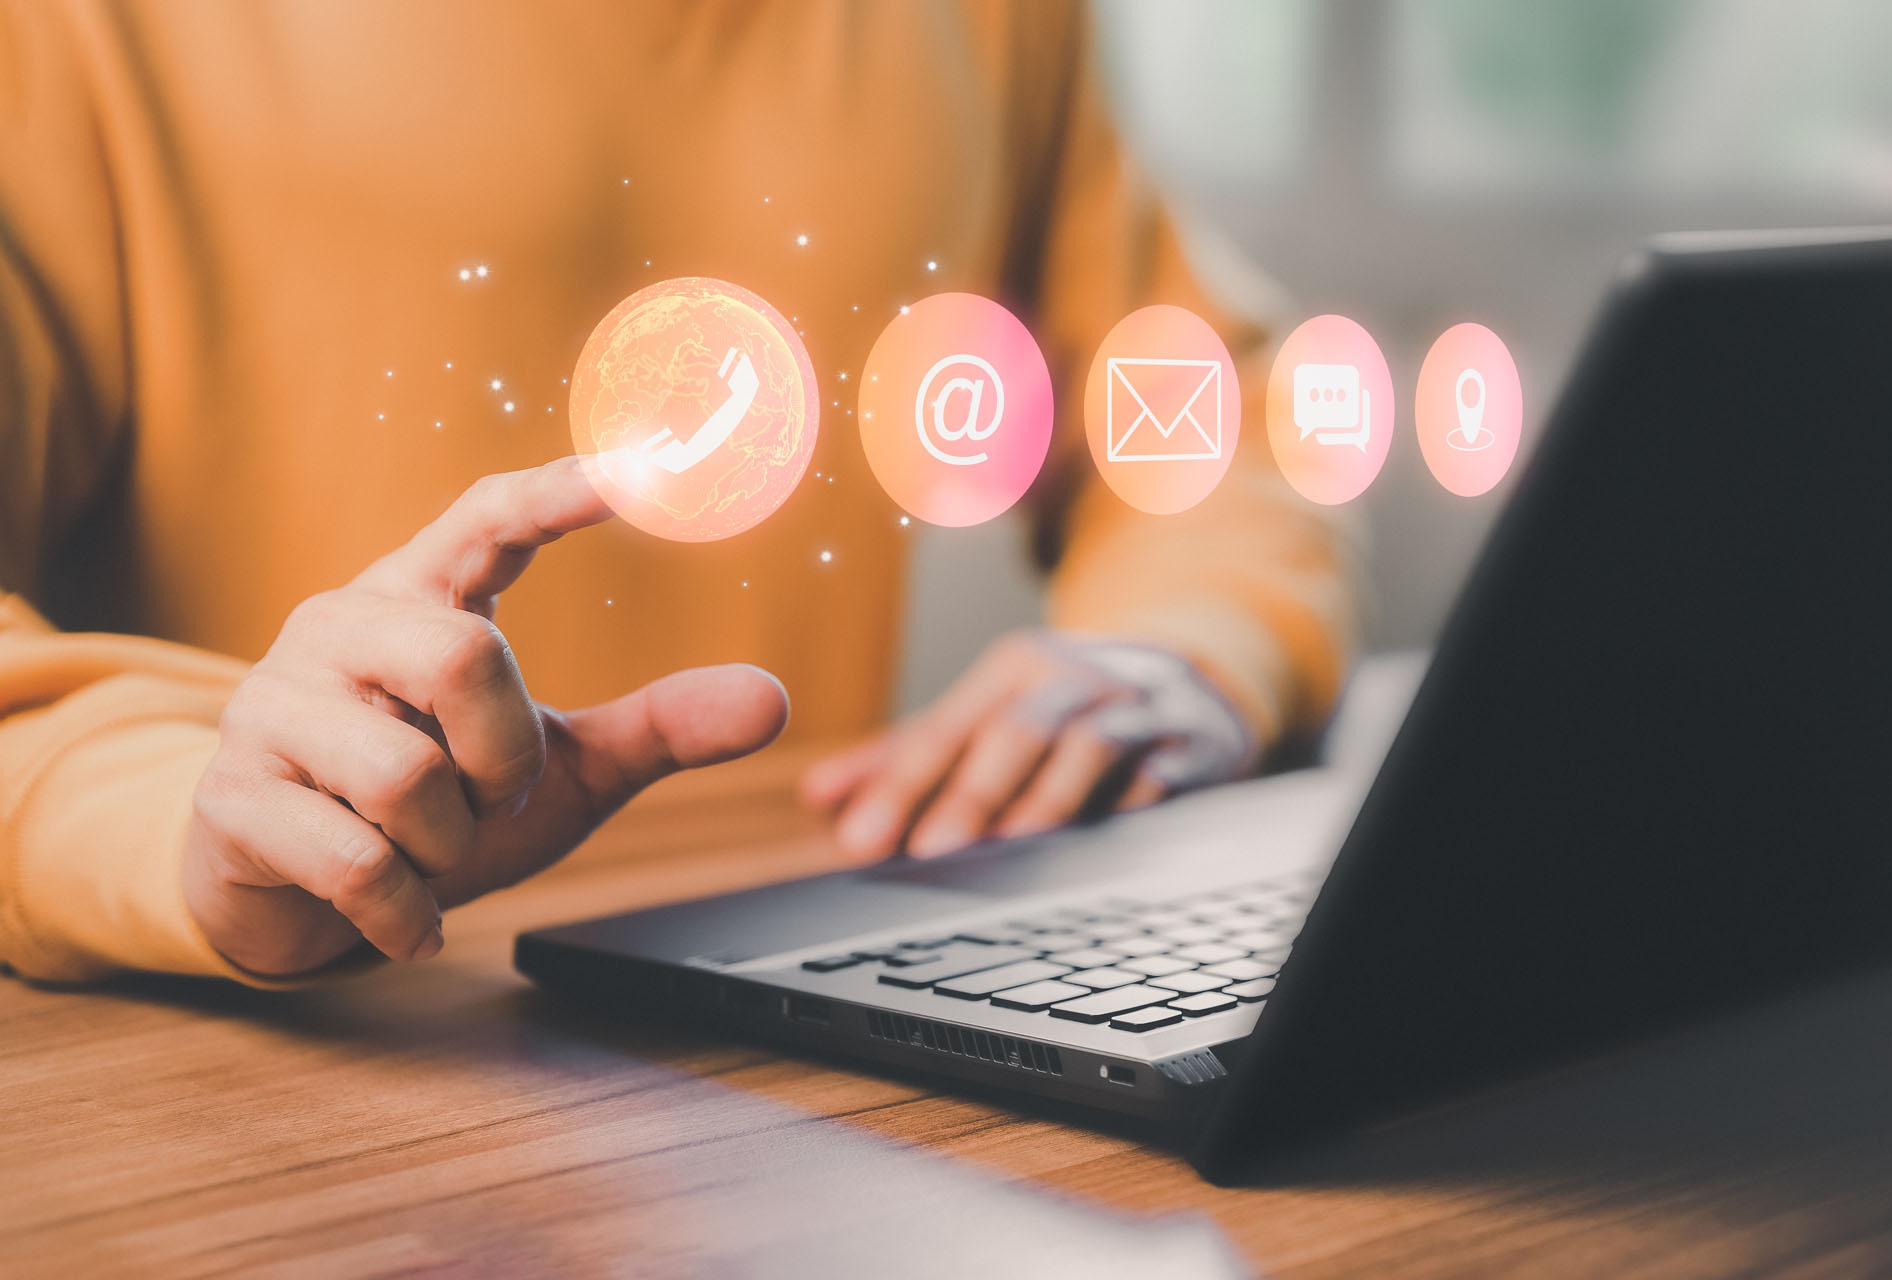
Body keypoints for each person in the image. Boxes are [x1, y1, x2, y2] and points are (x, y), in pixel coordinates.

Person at [0, 1, 1352, 985]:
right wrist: (181, 829)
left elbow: (1210, 404)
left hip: (797, 1003)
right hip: (271, 1061)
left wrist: (1181, 648)